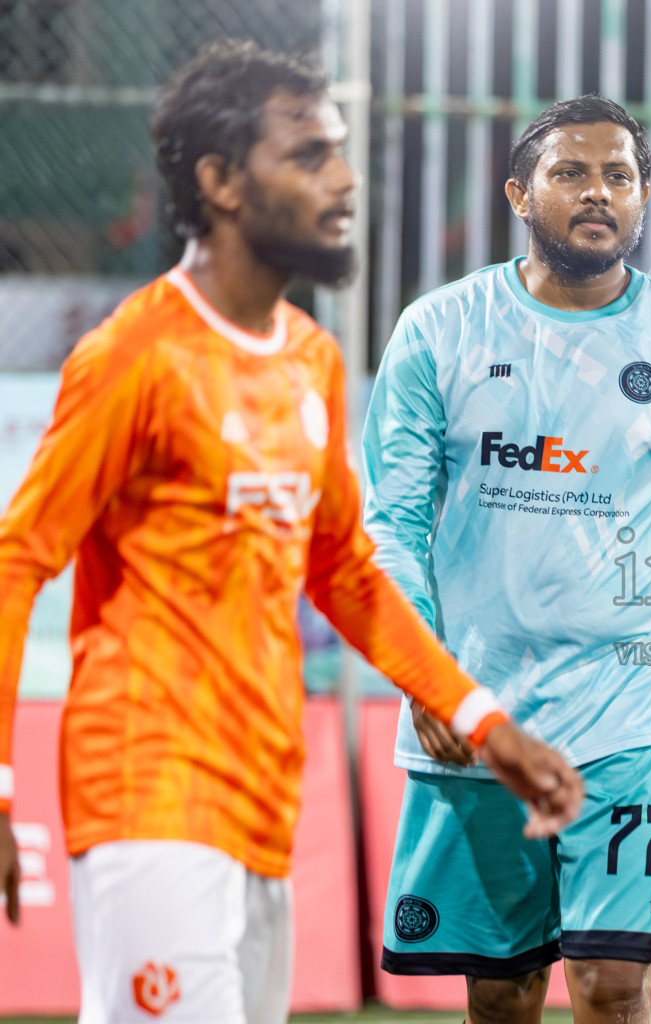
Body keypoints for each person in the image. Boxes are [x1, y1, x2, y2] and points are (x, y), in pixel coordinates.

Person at [0, 40, 582, 1024]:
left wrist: (483, 723)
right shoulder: (135, 356)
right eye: (309, 155)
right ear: (221, 181)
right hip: (148, 786)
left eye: (341, 151)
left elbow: (344, 571)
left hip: (264, 801)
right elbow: (17, 560)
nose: (344, 178)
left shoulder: (308, 360)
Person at [366, 95, 651, 1023]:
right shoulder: (440, 328)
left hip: (635, 718)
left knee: (612, 983)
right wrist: (428, 678)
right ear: (520, 192)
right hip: (478, 714)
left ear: (640, 199)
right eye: (571, 172)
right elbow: (390, 521)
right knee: (503, 992)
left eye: (618, 176)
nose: (599, 192)